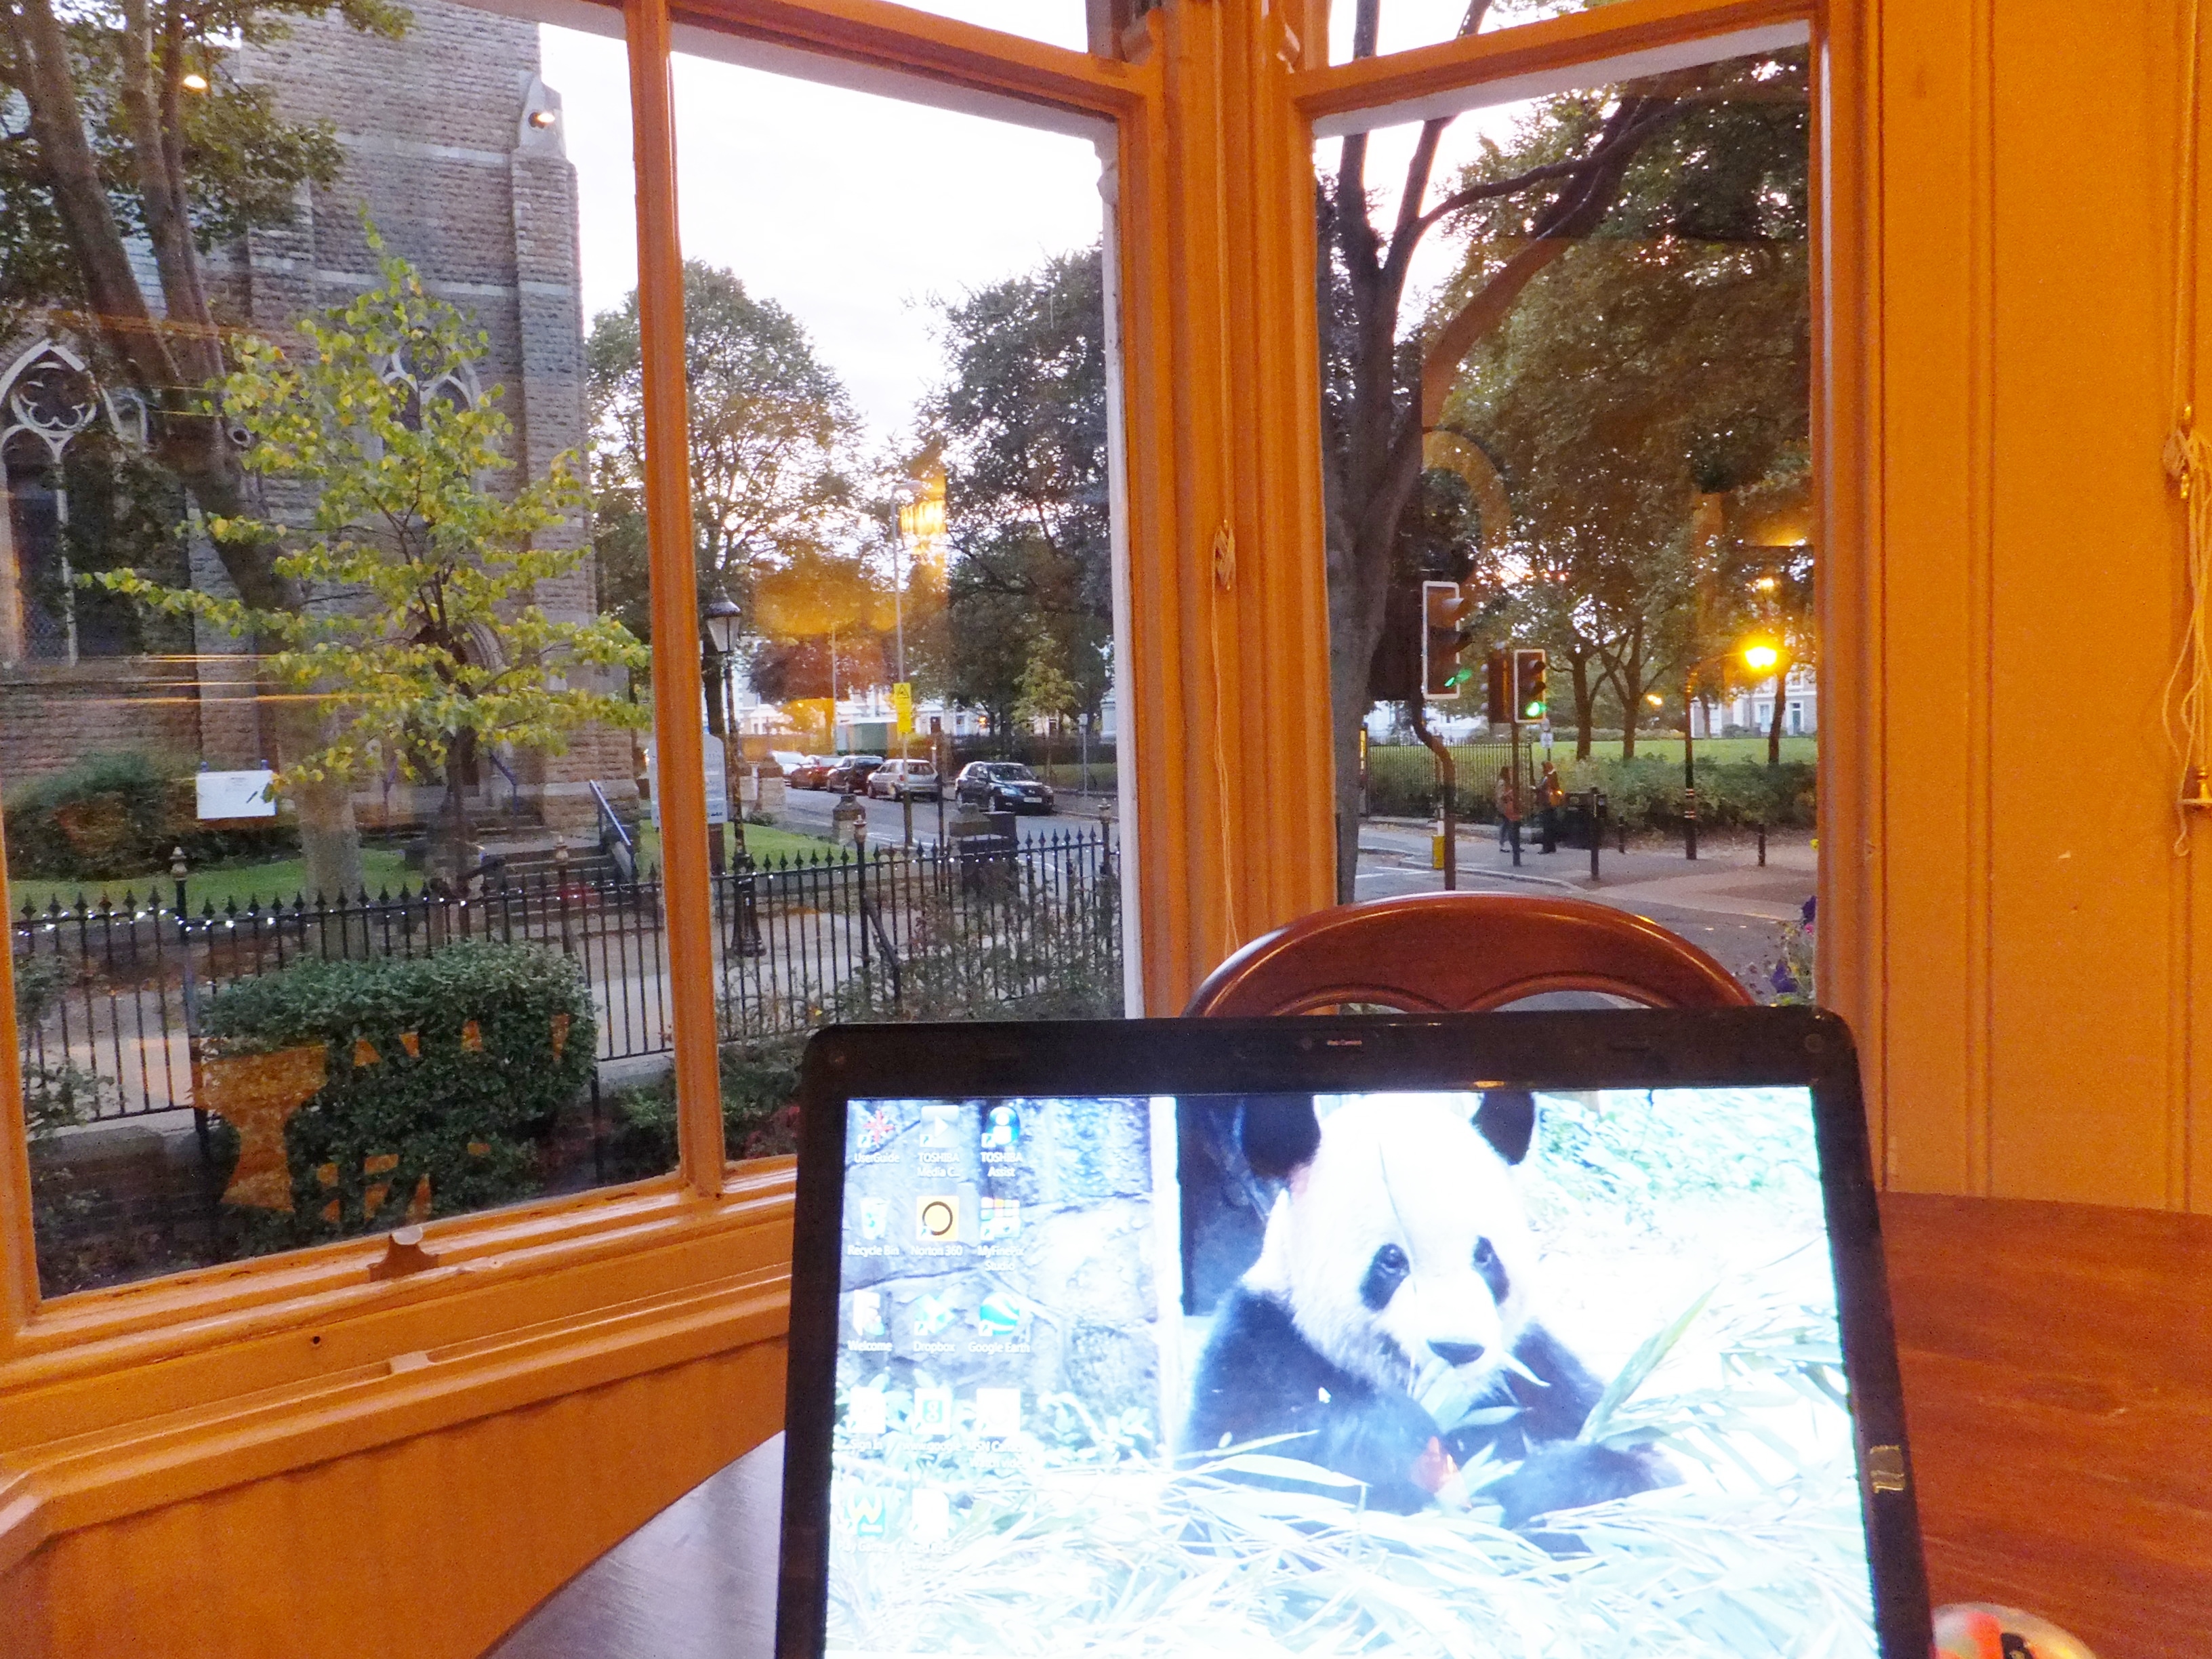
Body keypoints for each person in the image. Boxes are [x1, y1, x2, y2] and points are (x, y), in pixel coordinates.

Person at [1538, 760, 1566, 854]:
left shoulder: (1550, 776)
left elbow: (1552, 788)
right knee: (1549, 825)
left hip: (1548, 803)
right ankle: (1551, 846)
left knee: (1547, 826)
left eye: (1543, 767)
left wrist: (1539, 790)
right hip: (1548, 803)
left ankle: (1547, 847)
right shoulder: (1547, 776)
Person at [1495, 766, 1521, 859]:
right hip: (1504, 806)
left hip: (1508, 805)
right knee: (1506, 824)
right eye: (1509, 772)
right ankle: (1503, 844)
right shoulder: (1502, 782)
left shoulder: (1507, 782)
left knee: (1508, 824)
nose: (1511, 773)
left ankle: (1512, 844)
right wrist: (1510, 793)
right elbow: (1501, 795)